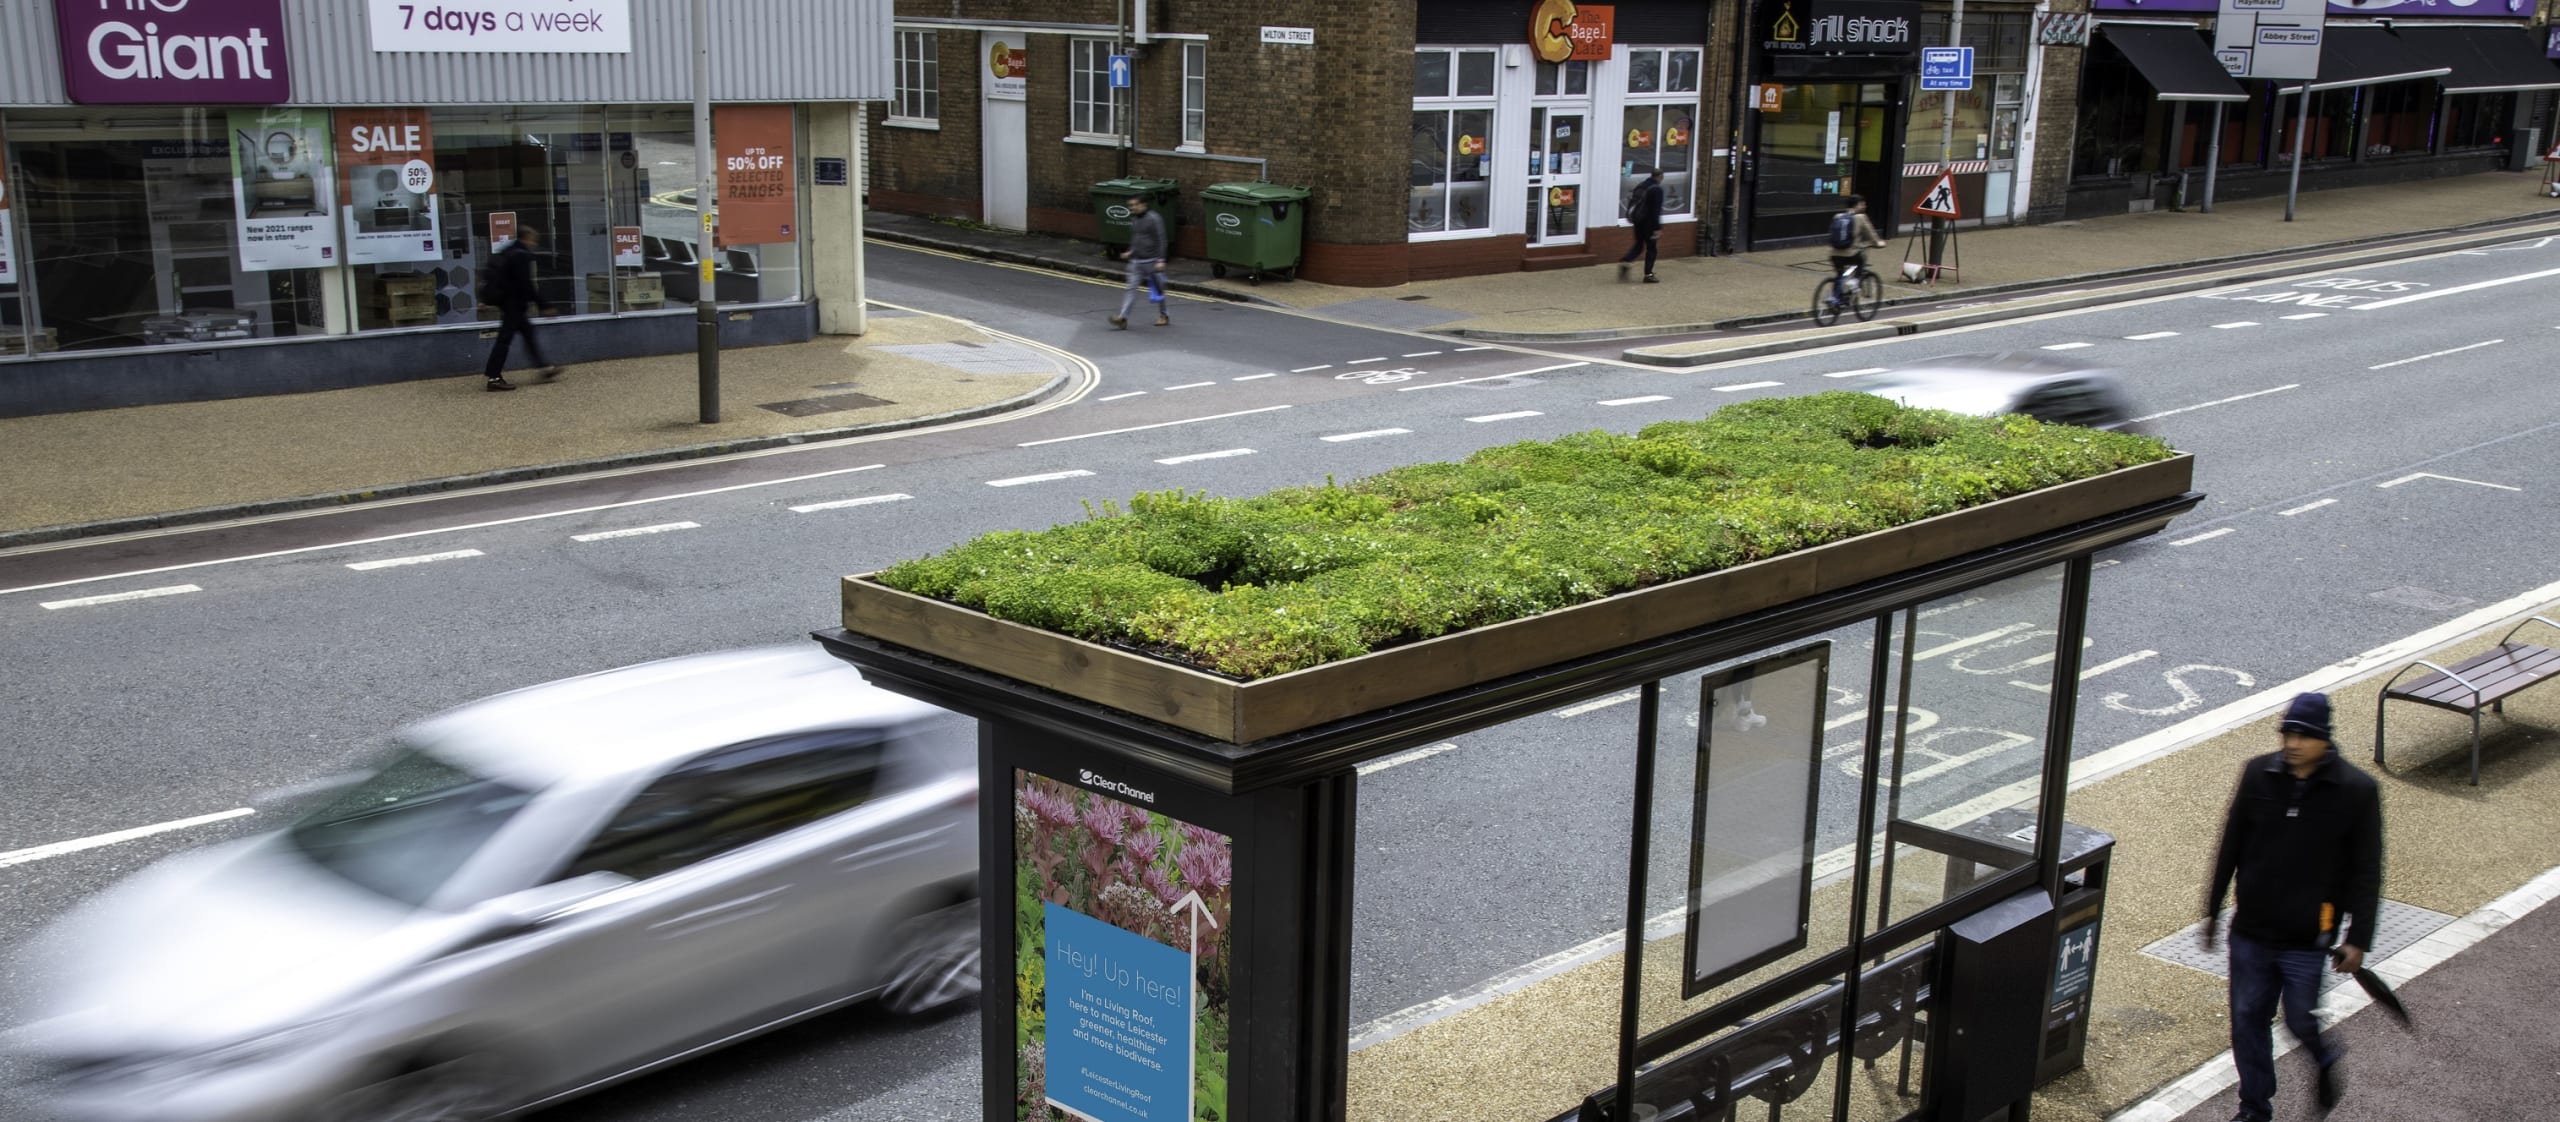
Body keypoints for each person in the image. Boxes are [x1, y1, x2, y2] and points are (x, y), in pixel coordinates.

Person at [2203, 692, 2383, 1121]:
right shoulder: (2256, 775)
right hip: (2252, 930)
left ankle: (2324, 1058)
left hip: (2308, 936)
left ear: (2325, 740)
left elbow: (2366, 871)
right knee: (2247, 1020)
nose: (2293, 743)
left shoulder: (2357, 791)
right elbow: (2230, 844)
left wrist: (2358, 939)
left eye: (2304, 735)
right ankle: (2254, 1108)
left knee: (2300, 1020)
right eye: (2288, 733)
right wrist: (2211, 909)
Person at [483, 227, 564, 392]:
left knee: (528, 334)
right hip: (514, 303)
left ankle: (545, 368)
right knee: (504, 339)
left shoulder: (507, 251)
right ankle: (494, 377)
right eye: (533, 240)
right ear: (526, 238)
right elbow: (526, 284)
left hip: (509, 302)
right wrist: (544, 305)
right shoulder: (520, 255)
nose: (534, 244)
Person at [1109, 196, 1170, 329]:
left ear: (1143, 205)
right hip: (1136, 262)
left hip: (1152, 261)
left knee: (1158, 290)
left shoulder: (1154, 218)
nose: (1132, 208)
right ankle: (1123, 318)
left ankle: (1164, 315)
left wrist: (1161, 260)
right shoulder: (1135, 219)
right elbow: (1137, 238)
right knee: (1130, 289)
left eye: (1134, 205)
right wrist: (1130, 252)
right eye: (1130, 205)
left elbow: (1161, 240)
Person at [1826, 195, 1886, 303]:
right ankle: (1854, 281)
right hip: (1850, 253)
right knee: (1861, 260)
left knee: (1840, 275)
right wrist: (1879, 243)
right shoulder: (1860, 217)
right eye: (1863, 204)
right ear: (1857, 205)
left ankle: (1835, 298)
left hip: (1834, 254)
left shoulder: (1837, 216)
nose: (1865, 206)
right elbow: (1871, 234)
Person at [1618, 166, 1665, 284]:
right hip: (1649, 224)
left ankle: (1626, 260)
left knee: (1639, 245)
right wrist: (1657, 227)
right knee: (1651, 249)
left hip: (1638, 221)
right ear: (1660, 177)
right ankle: (1648, 274)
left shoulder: (1641, 186)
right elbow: (1656, 211)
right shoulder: (1657, 190)